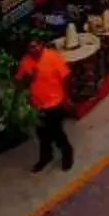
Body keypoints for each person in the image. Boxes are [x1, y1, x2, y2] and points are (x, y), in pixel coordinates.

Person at [16, 38, 75, 173]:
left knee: (56, 133)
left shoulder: (52, 57)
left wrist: (66, 98)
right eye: (31, 47)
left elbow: (66, 77)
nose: (34, 49)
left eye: (36, 46)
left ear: (41, 45)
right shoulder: (25, 63)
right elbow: (19, 83)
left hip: (55, 103)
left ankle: (67, 154)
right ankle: (46, 157)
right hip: (38, 107)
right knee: (42, 135)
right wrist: (30, 78)